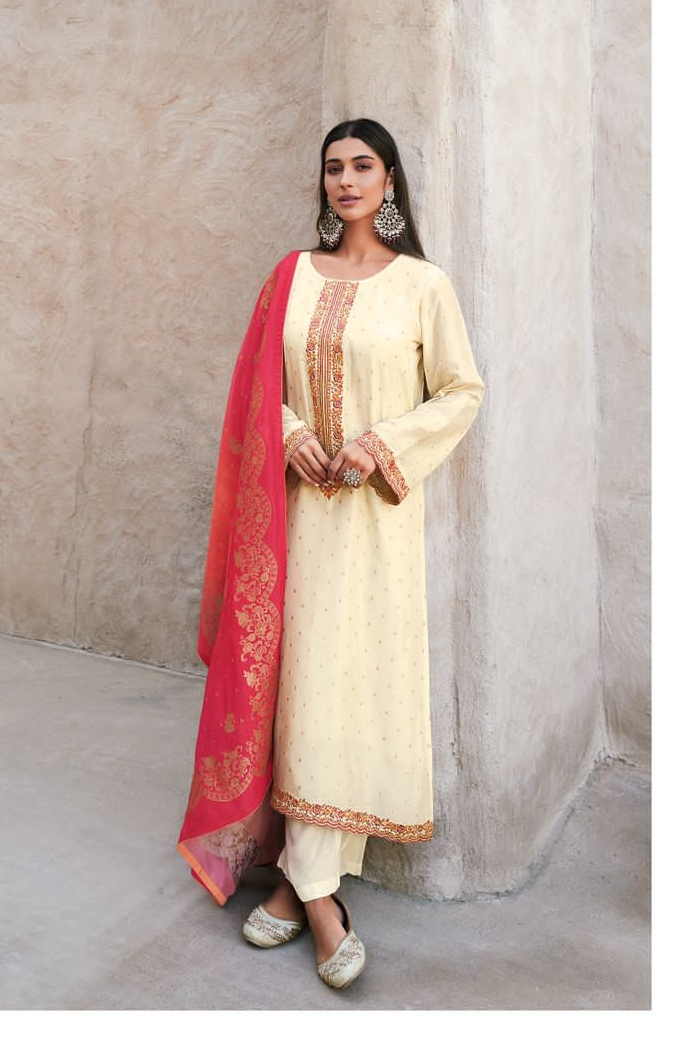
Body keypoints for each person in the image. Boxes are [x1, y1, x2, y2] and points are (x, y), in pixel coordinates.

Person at [177, 118, 485, 992]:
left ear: (389, 181)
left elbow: (462, 390)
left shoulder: (422, 286)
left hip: (376, 525)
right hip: (292, 523)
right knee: (297, 689)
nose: (345, 182)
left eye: (361, 167)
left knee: (350, 691)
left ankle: (299, 890)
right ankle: (319, 901)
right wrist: (288, 433)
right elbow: (252, 391)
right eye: (332, 169)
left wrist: (381, 442)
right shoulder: (290, 277)